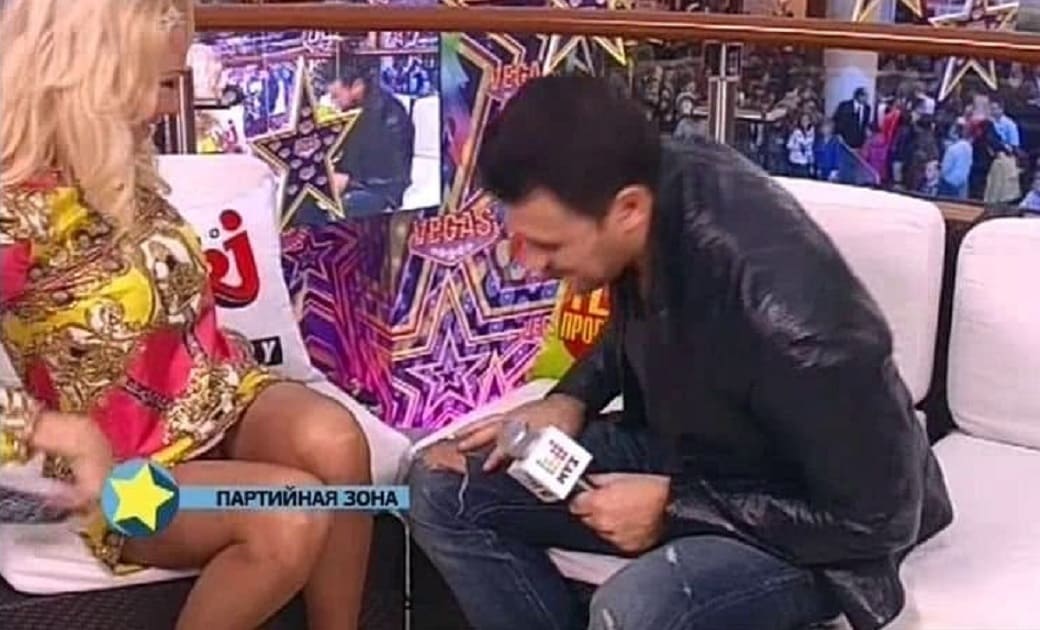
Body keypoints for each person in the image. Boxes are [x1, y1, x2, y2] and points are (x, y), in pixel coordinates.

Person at [408, 76, 953, 630]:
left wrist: (673, 508)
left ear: (628, 210)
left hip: (805, 516)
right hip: (692, 446)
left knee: (636, 610)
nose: (530, 265)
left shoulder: (802, 328)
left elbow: (879, 518)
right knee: (443, 487)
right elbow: (652, 316)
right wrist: (570, 398)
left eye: (549, 245)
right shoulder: (650, 175)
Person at [0, 2, 373, 629]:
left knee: (335, 440)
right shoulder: (14, 212)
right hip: (126, 478)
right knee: (288, 513)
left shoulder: (119, 165)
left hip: (223, 401)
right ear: (93, 76)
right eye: (164, 83)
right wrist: (54, 431)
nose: (174, 106)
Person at [323, 59, 415, 221]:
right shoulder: (350, 111)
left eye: (336, 96)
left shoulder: (389, 114)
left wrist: (348, 182)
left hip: (382, 190)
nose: (334, 102)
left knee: (341, 208)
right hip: (354, 182)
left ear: (357, 86)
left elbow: (390, 173)